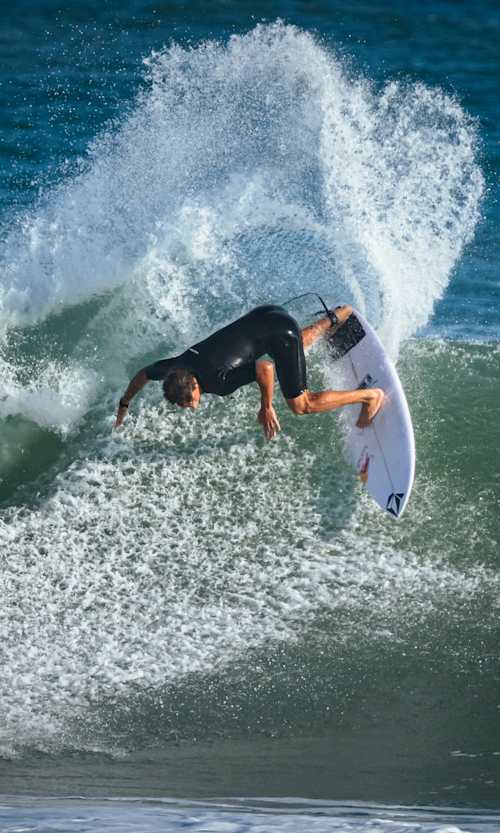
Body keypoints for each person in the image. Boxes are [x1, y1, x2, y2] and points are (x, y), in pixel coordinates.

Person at [115, 304, 384, 439]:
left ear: (195, 386)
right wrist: (125, 402)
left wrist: (266, 406)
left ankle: (370, 396)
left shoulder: (217, 381)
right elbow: (143, 374)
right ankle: (336, 317)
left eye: (190, 402)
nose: (191, 407)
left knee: (302, 405)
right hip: (268, 314)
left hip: (280, 333)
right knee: (285, 345)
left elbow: (264, 367)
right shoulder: (173, 369)